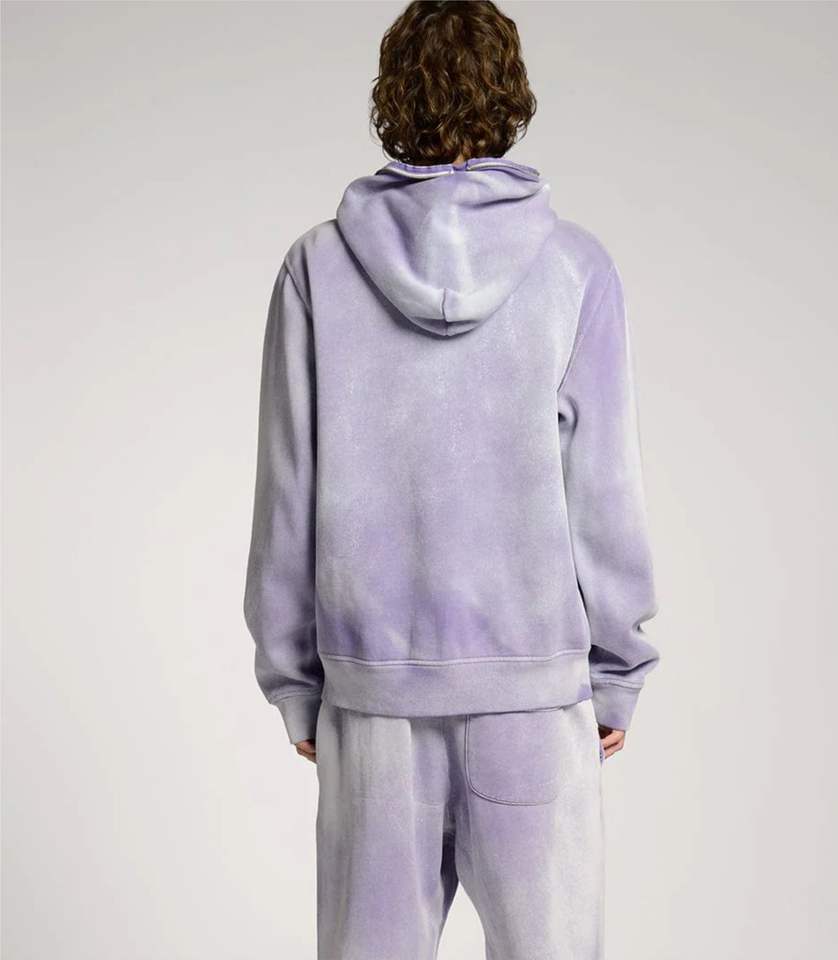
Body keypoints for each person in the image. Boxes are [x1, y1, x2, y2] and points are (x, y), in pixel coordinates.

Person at [243, 2, 659, 957]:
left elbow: (286, 491)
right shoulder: (574, 269)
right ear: (513, 100)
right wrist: (617, 669)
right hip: (534, 704)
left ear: (391, 99)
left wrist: (296, 681)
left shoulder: (318, 269)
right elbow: (604, 491)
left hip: (373, 704)